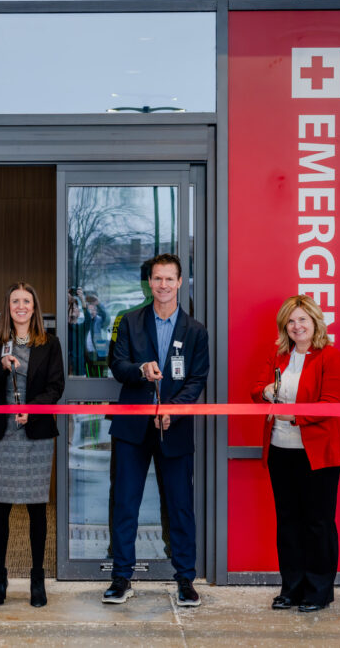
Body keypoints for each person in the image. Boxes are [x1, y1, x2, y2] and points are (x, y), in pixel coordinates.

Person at [104, 253, 209, 607]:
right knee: (125, 503)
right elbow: (117, 365)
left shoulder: (195, 331)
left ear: (180, 283)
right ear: (149, 282)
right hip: (132, 428)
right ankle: (121, 577)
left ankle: (185, 580)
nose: (163, 285)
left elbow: (197, 379)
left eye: (170, 279)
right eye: (157, 278)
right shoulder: (129, 321)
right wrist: (140, 370)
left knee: (180, 506)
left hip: (174, 429)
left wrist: (173, 412)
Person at [250, 295, 340, 613]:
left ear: (315, 322)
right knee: (288, 523)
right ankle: (290, 589)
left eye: (302, 319)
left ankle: (318, 591)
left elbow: (331, 402)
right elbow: (256, 389)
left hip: (317, 454)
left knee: (317, 523)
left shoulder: (330, 356)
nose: (297, 326)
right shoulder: (278, 355)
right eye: (291, 321)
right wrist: (265, 392)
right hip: (281, 450)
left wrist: (294, 416)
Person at [0, 282, 65, 608]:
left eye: (27, 300)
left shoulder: (49, 344)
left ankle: (37, 580)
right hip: (2, 436)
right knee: (1, 509)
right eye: (16, 301)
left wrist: (34, 407)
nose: (21, 306)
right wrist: (0, 367)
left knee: (36, 509)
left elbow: (57, 387)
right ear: (8, 306)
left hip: (36, 433)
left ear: (34, 306)